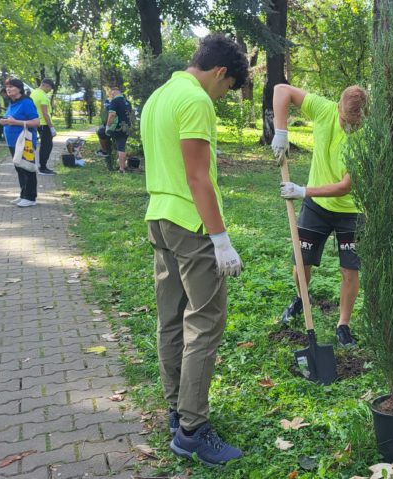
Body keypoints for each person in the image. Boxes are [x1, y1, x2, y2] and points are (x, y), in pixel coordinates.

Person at [142, 34, 249, 467]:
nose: (223, 97)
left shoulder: (159, 96)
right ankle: (192, 430)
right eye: (228, 88)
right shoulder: (195, 100)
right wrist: (220, 240)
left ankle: (177, 411)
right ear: (220, 72)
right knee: (205, 322)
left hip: (159, 217)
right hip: (191, 224)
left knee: (170, 320)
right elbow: (198, 177)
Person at [271, 84, 368, 347]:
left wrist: (303, 191)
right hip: (316, 206)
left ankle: (343, 325)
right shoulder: (323, 109)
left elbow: (346, 186)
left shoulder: (367, 136)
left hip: (351, 210)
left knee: (350, 270)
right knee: (301, 263)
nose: (351, 128)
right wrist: (281, 132)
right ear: (338, 108)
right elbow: (281, 90)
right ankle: (302, 299)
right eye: (347, 122)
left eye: (356, 123)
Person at [1, 78, 40, 207]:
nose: (8, 89)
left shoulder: (26, 102)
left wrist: (14, 122)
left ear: (19, 88)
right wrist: (5, 121)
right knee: (19, 168)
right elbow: (12, 118)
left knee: (27, 167)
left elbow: (36, 122)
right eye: (7, 87)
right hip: (13, 142)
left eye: (11, 87)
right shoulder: (12, 103)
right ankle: (23, 194)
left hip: (25, 141)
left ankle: (30, 197)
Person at [30, 79, 56, 175]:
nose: (50, 90)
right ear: (45, 85)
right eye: (50, 88)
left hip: (36, 122)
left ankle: (41, 166)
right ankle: (43, 167)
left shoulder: (34, 93)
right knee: (47, 146)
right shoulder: (43, 97)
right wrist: (51, 127)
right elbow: (45, 113)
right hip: (44, 123)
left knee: (44, 145)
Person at [103, 86, 132, 173]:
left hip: (118, 127)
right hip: (127, 127)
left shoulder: (114, 101)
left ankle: (121, 169)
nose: (111, 95)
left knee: (120, 147)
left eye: (111, 93)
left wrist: (108, 126)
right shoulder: (127, 102)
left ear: (114, 92)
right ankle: (120, 165)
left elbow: (112, 115)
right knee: (121, 146)